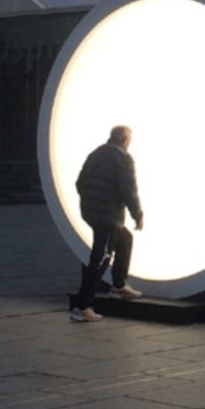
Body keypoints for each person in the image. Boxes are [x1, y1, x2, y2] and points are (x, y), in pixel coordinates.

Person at [70, 124, 145, 321]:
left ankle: (118, 285)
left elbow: (80, 182)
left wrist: (91, 202)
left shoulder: (96, 153)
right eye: (129, 140)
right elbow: (129, 190)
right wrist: (138, 215)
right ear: (124, 140)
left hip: (92, 212)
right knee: (101, 258)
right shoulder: (123, 158)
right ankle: (82, 307)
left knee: (125, 239)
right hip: (108, 216)